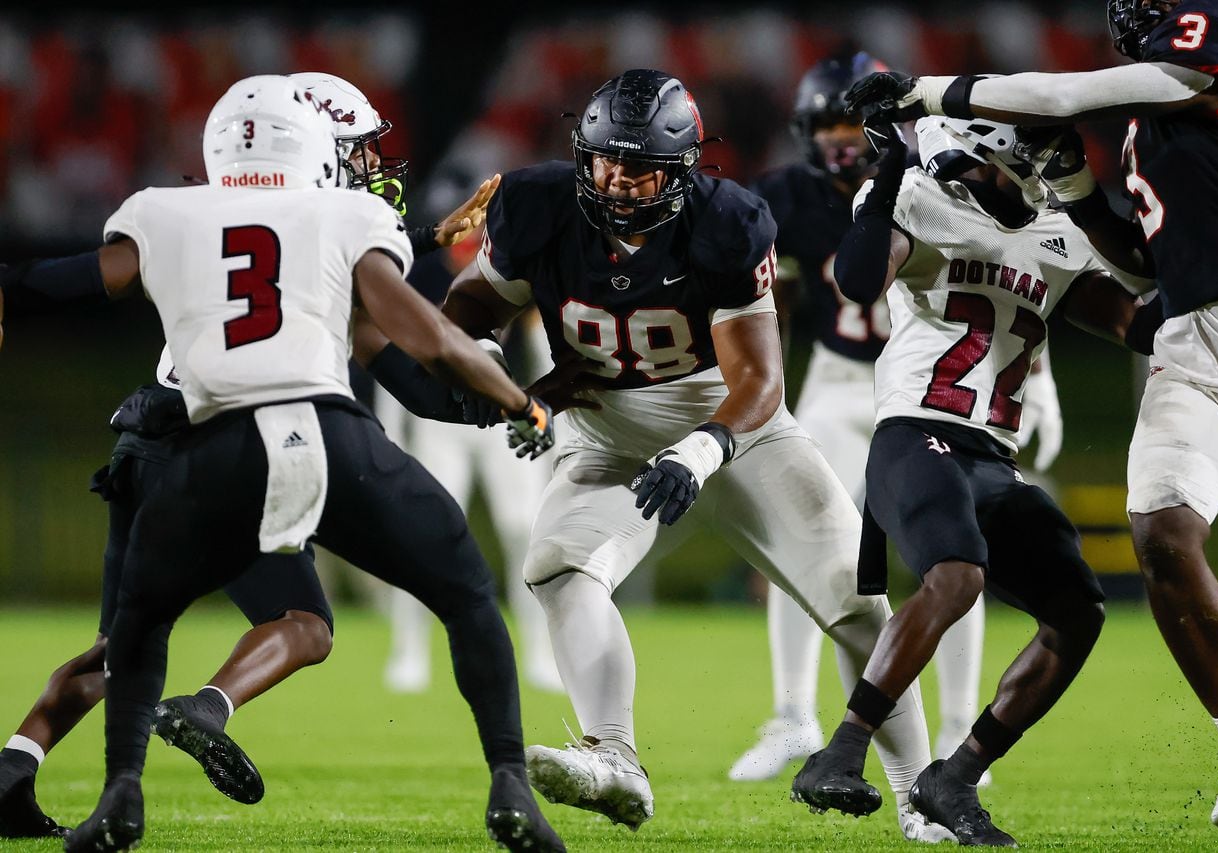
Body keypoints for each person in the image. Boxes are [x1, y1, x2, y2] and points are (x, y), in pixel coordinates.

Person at [12, 75, 560, 853]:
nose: (374, 169)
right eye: (359, 153)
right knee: (445, 594)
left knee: (132, 634)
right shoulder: (341, 221)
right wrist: (518, 397)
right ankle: (507, 776)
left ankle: (72, 779)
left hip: (176, 443)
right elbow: (421, 349)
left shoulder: (183, 213)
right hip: (282, 430)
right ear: (310, 149)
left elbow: (88, 276)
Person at [439, 68, 949, 843]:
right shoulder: (535, 203)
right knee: (556, 564)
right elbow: (473, 303)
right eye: (605, 159)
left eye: (638, 165)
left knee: (854, 596)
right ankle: (613, 755)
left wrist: (704, 448)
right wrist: (499, 373)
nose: (617, 178)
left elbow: (761, 377)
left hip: (728, 420)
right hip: (606, 425)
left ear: (680, 170)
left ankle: (919, 796)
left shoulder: (729, 221)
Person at [844, 0, 1218, 829]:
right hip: (1191, 343)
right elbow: (1142, 273)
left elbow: (1058, 97)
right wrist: (1078, 189)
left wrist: (925, 92)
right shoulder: (1154, 129)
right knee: (1159, 528)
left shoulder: (1216, 48)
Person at [787, 113, 1150, 845]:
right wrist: (889, 171)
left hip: (993, 456)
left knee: (1079, 610)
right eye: (1037, 151)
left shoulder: (1058, 237)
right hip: (914, 434)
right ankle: (842, 750)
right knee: (957, 576)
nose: (1048, 165)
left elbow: (1136, 324)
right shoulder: (924, 198)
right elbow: (858, 283)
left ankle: (955, 774)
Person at [732, 52, 1063, 787]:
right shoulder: (789, 196)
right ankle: (792, 714)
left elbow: (1022, 281)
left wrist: (1041, 382)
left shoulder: (949, 182)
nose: (841, 137)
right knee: (807, 546)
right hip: (841, 381)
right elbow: (770, 303)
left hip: (945, 390)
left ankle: (953, 728)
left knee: (955, 555)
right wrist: (765, 390)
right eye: (826, 124)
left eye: (854, 121)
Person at [377, 302, 564, 695]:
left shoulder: (515, 262)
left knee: (524, 530)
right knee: (427, 534)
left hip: (508, 415)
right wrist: (389, 435)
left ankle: (541, 655)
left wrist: (553, 433)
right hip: (440, 420)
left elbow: (546, 346)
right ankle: (408, 651)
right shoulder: (424, 268)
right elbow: (395, 344)